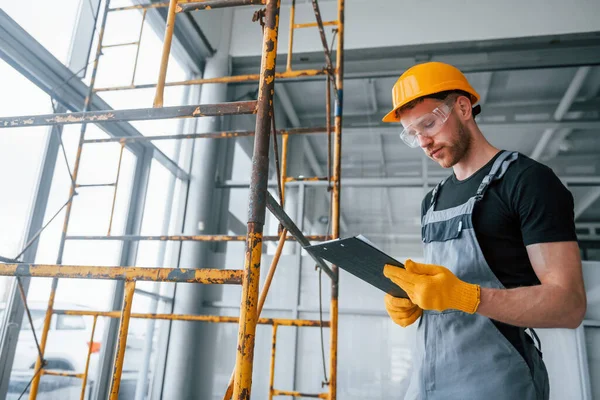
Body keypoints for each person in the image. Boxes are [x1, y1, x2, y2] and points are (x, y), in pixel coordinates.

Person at [380, 61, 587, 400]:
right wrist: (417, 300)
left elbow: (569, 305)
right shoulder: (431, 202)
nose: (424, 143)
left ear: (462, 107)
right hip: (428, 384)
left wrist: (466, 297)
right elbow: (444, 289)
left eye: (428, 124)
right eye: (413, 135)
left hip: (498, 384)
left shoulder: (526, 182)